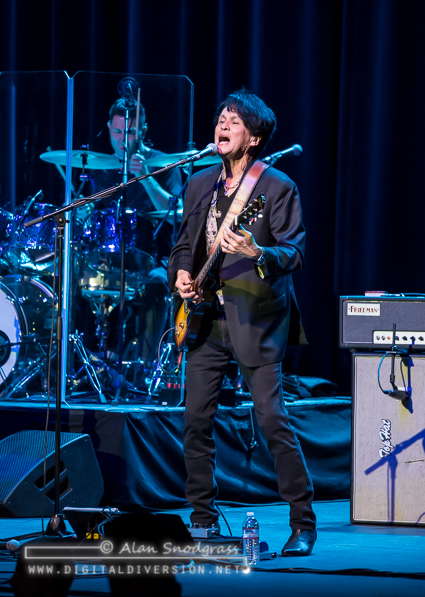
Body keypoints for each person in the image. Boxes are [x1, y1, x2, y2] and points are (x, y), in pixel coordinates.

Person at [167, 88, 317, 556]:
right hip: (206, 320)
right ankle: (202, 520)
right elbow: (182, 245)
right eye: (221, 119)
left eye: (234, 122)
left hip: (256, 319)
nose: (223, 126)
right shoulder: (199, 184)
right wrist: (181, 275)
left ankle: (303, 522)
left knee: (272, 419)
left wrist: (258, 252)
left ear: (253, 138)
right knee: (195, 421)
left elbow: (294, 252)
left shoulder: (277, 186)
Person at [91, 97, 183, 365]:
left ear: (143, 131)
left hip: (156, 258)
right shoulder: (100, 168)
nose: (122, 140)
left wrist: (147, 178)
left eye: (130, 132)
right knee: (75, 277)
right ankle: (90, 361)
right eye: (117, 132)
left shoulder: (162, 164)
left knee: (157, 284)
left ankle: (145, 367)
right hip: (111, 261)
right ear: (109, 128)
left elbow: (177, 213)